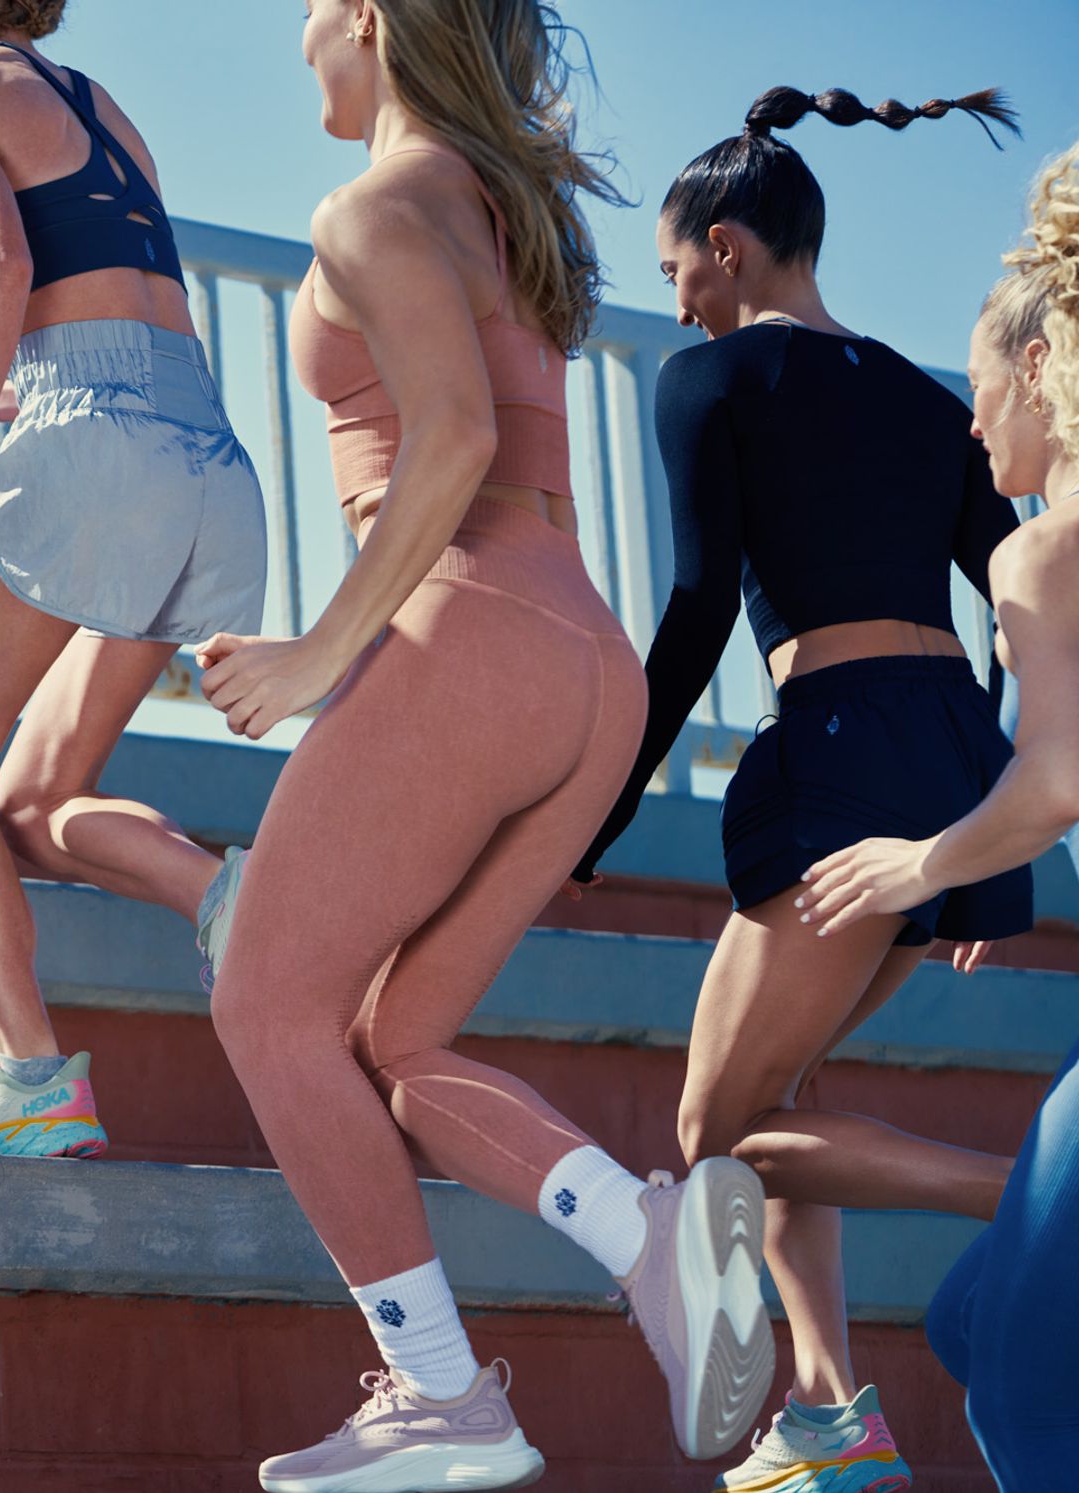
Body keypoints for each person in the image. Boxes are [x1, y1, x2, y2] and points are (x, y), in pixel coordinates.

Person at [203, 5, 776, 1487]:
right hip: (582, 663)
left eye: (311, 11)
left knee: (265, 1007)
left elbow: (450, 438)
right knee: (396, 1041)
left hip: (470, 635)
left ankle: (441, 1392)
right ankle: (644, 1235)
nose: (297, 41)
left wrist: (316, 653)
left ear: (370, 20)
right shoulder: (498, 212)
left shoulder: (369, 207)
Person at [570, 85, 1026, 1493]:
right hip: (949, 752)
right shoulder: (928, 399)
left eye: (677, 271)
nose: (678, 302)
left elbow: (699, 604)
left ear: (727, 247)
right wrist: (981, 827)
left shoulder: (708, 378)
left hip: (836, 750)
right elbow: (1010, 603)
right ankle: (829, 1415)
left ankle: (1032, 1196)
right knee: (788, 1094)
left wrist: (605, 801)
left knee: (713, 1135)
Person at [0, 0, 267, 1159]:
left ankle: (29, 1076)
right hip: (203, 459)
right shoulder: (101, 107)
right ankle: (233, 902)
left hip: (97, 444)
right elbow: (114, 331)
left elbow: (1, 259)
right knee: (36, 800)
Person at [800, 142, 1079, 1492]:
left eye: (975, 390)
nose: (971, 428)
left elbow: (1056, 782)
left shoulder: (1040, 551)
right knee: (971, 1319)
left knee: (1021, 1393)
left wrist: (922, 862)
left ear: (1036, 367)